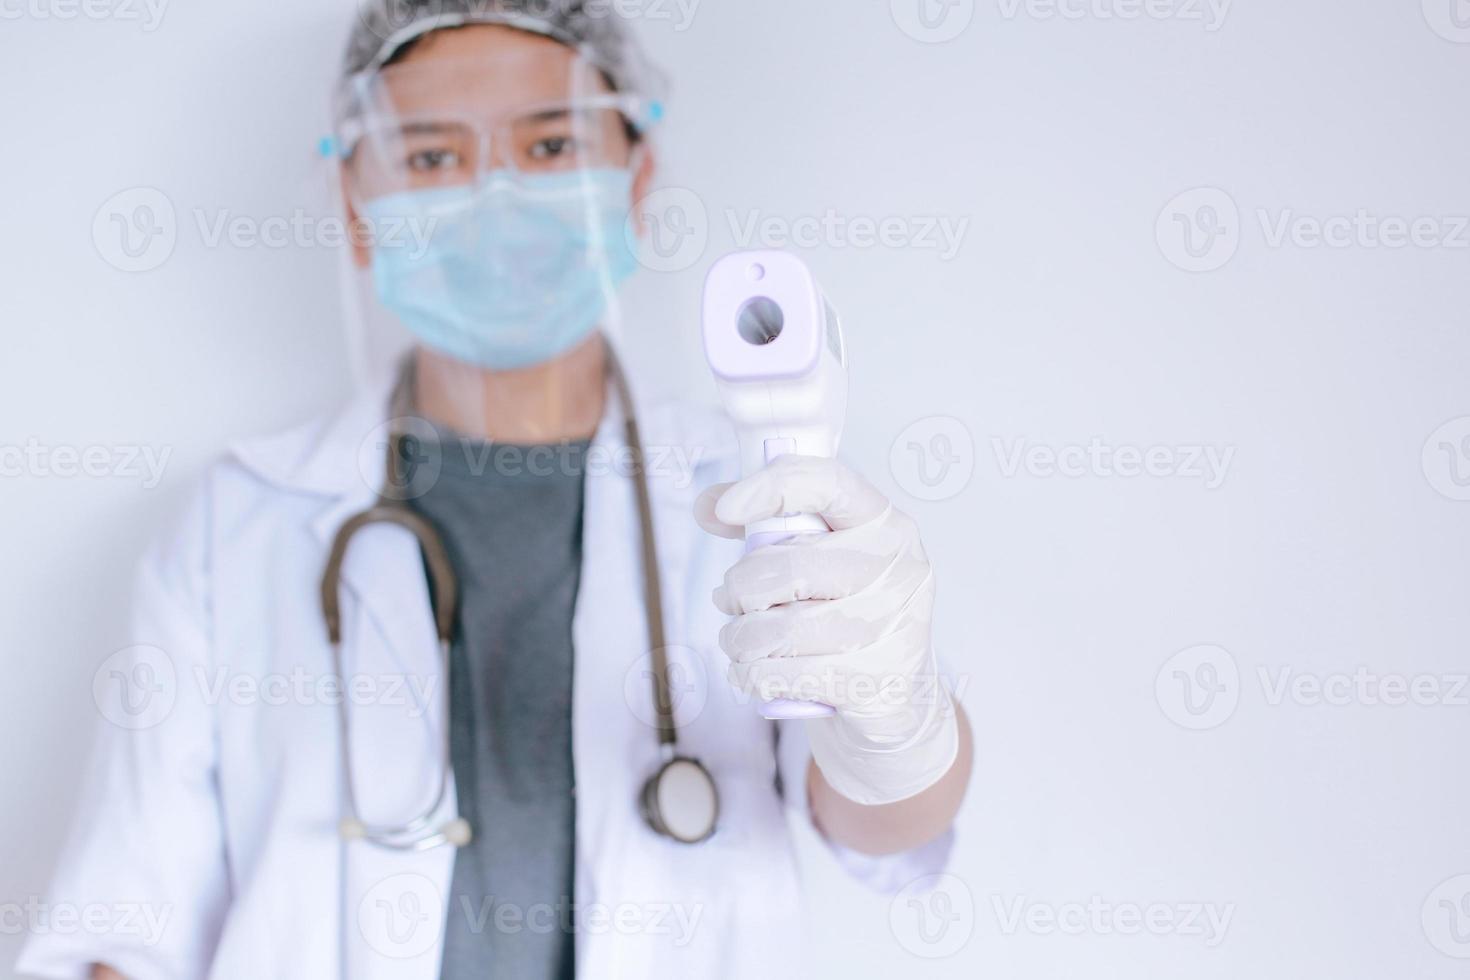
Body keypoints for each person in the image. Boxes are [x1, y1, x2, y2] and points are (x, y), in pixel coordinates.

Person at [17, 2, 972, 978]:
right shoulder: (240, 525)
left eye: (551, 142)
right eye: (431, 159)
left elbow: (885, 835)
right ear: (355, 203)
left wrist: (894, 719)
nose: (497, 196)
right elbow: (125, 927)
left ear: (636, 180)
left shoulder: (755, 490)